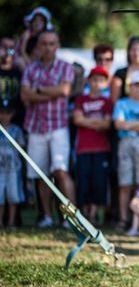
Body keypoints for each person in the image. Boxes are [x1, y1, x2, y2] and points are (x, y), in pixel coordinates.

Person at [20, 30, 76, 229]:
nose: (48, 47)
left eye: (51, 43)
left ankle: (72, 217)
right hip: (36, 126)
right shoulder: (30, 69)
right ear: (38, 46)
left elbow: (65, 90)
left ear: (57, 45)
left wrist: (38, 90)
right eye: (44, 43)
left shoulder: (65, 67)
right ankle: (46, 216)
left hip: (58, 126)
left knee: (61, 170)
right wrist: (51, 92)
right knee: (40, 174)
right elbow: (25, 95)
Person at [112, 69, 139, 231]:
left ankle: (138, 219)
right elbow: (118, 124)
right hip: (125, 143)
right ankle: (124, 218)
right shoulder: (121, 103)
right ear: (130, 86)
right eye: (135, 85)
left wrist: (129, 124)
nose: (138, 89)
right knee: (125, 183)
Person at [72, 66, 113, 225]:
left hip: (101, 148)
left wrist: (87, 121)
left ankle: (94, 215)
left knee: (98, 182)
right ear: (89, 81)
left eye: (101, 80)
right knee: (83, 181)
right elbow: (77, 120)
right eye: (94, 80)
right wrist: (97, 122)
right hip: (83, 148)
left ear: (105, 83)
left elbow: (107, 124)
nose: (97, 83)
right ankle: (84, 216)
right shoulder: (81, 100)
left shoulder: (107, 102)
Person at [0, 99, 25, 229]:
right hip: (0, 169)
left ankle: (11, 222)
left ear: (12, 114)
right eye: (1, 112)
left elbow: (21, 148)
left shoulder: (16, 130)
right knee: (0, 195)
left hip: (13, 169)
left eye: (7, 113)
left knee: (13, 195)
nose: (4, 116)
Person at [1, 36, 25, 127]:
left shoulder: (19, 71)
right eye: (4, 47)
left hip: (16, 121)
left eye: (10, 48)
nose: (7, 51)